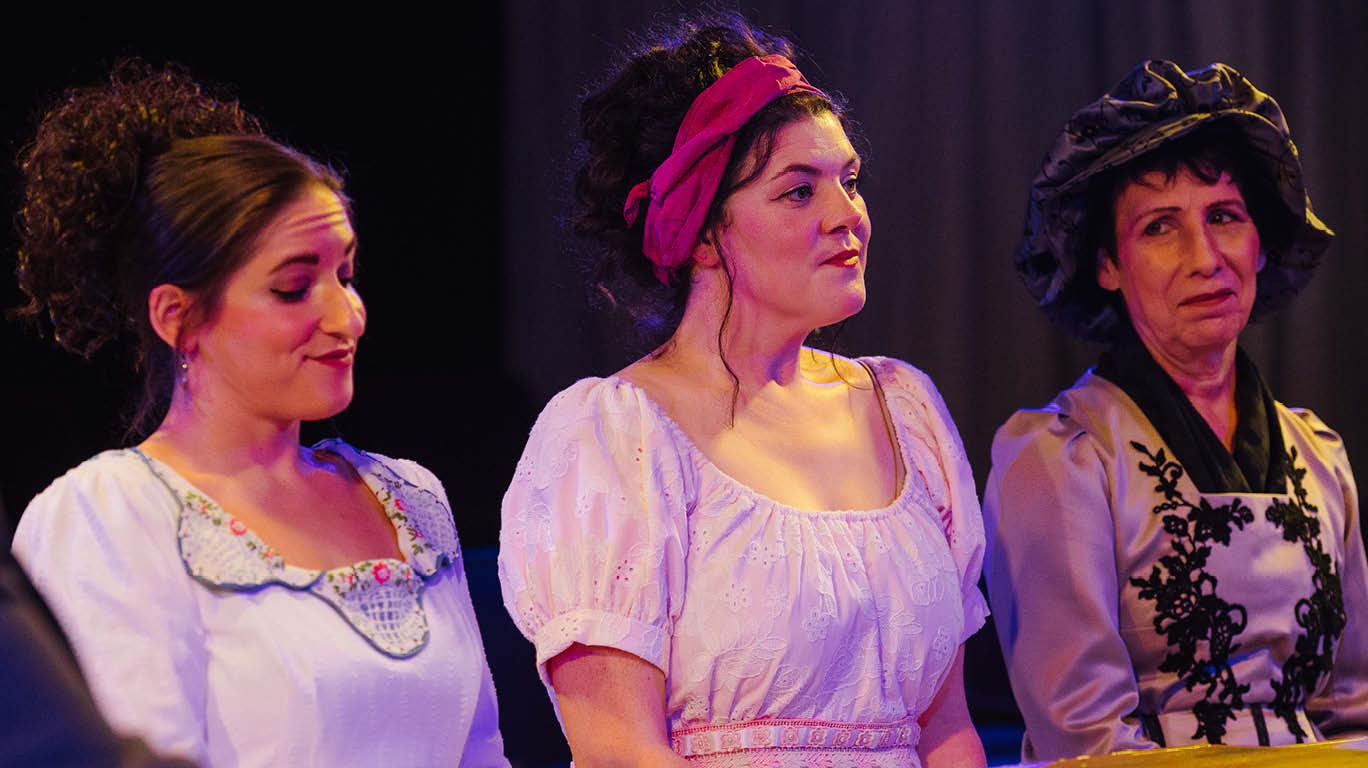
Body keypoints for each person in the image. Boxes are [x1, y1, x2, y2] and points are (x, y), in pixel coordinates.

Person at [498, 14, 988, 768]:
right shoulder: (616, 436)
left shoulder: (905, 410)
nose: (846, 216)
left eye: (849, 182)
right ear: (698, 232)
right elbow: (619, 750)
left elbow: (946, 726)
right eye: (798, 192)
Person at [10, 62, 508, 767]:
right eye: (294, 286)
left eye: (345, 275)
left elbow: (480, 750)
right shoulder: (112, 514)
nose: (348, 316)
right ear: (178, 317)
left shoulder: (410, 498)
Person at [984, 60, 1368, 760]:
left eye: (1224, 216)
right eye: (1161, 227)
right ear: (1107, 264)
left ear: (1260, 243)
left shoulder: (1319, 454)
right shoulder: (1061, 455)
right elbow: (1086, 739)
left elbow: (1356, 712)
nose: (1205, 257)